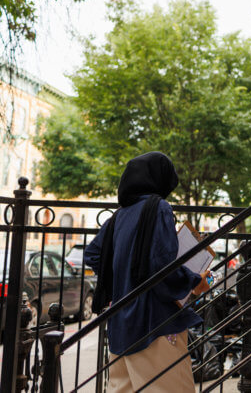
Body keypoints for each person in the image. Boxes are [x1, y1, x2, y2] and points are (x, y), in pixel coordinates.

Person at [84, 152, 210, 392]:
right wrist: (194, 281)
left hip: (121, 325)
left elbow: (93, 254)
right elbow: (161, 266)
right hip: (154, 324)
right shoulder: (158, 208)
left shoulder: (118, 216)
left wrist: (123, 278)